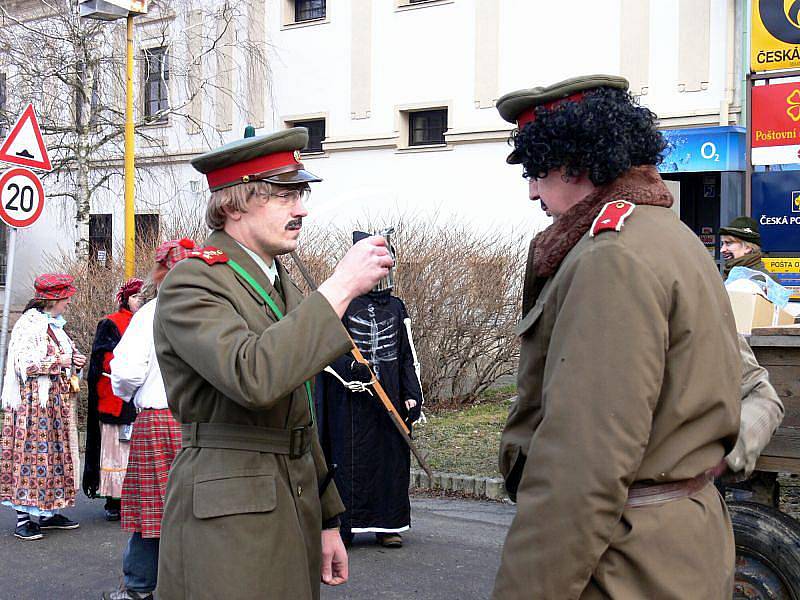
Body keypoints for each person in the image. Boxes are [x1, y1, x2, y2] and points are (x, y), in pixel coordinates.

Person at [491, 75, 741, 598]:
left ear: (578, 161)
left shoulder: (610, 257)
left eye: (537, 170)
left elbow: (581, 469)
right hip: (675, 547)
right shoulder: (668, 234)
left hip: (625, 564)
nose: (533, 190)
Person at [153, 127, 394, 600]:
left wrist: (328, 518)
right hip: (232, 513)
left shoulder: (275, 280)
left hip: (291, 500)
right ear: (233, 205)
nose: (301, 208)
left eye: (300, 194)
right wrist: (340, 287)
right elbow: (254, 377)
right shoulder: (192, 282)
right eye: (284, 196)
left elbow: (297, 407)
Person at [101, 240, 196, 600]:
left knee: (152, 511)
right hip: (204, 422)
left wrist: (127, 396)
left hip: (158, 421)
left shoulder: (151, 314)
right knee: (198, 508)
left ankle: (141, 588)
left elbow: (126, 373)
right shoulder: (216, 308)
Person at [316, 230, 423, 548]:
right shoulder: (342, 304)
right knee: (348, 460)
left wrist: (412, 393)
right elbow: (323, 349)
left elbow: (407, 354)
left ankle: (388, 524)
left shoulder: (396, 307)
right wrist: (349, 369)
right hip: (350, 402)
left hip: (388, 397)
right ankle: (344, 526)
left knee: (391, 459)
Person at [0, 274, 87, 540]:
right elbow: (24, 364)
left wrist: (75, 362)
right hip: (32, 406)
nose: (68, 303)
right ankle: (23, 518)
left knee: (54, 456)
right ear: (53, 300)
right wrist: (63, 360)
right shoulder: (29, 325)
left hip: (54, 406)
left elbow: (63, 359)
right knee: (30, 456)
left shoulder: (55, 326)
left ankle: (49, 512)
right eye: (65, 298)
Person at [84, 277, 144, 521]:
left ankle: (134, 497)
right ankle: (114, 499)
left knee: (135, 450)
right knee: (117, 448)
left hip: (140, 394)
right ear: (125, 299)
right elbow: (104, 364)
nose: (139, 300)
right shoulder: (111, 323)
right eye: (135, 297)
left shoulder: (148, 320)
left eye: (142, 296)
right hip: (116, 394)